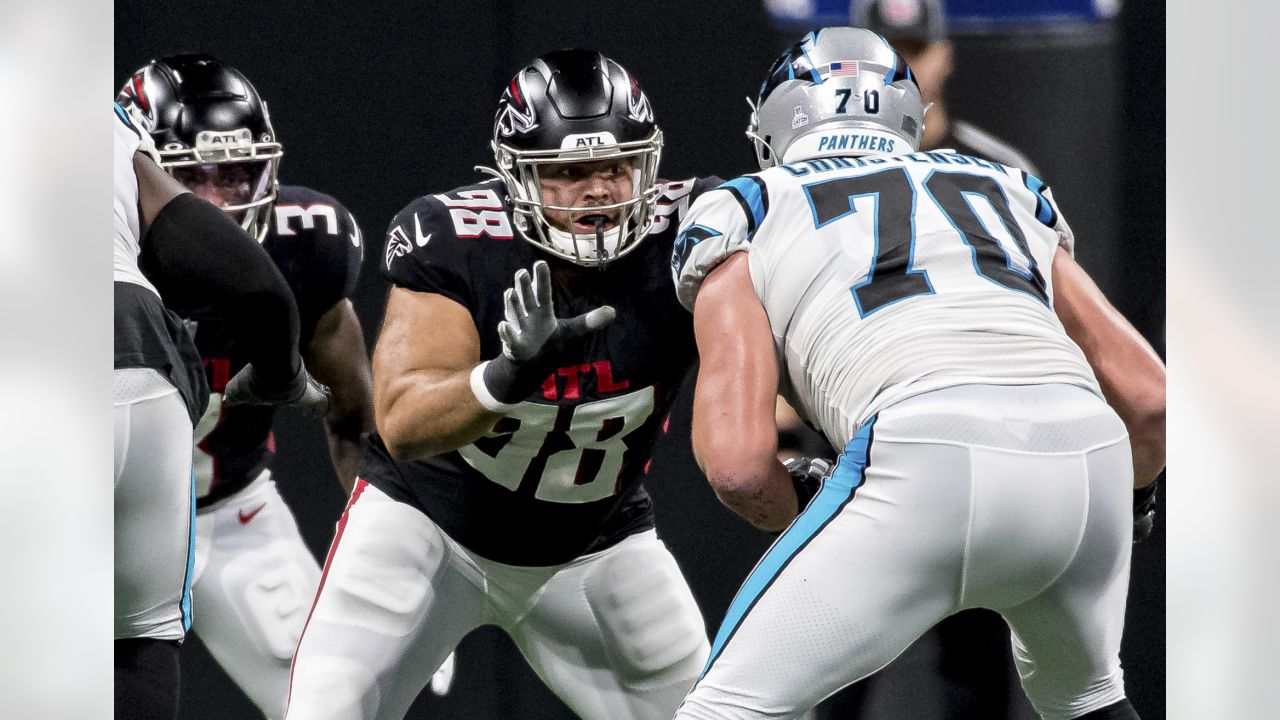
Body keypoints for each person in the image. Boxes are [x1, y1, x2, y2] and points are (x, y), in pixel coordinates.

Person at [669, 27, 1164, 720]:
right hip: (1084, 456)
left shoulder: (745, 205)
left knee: (725, 710)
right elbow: (1149, 401)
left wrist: (804, 505)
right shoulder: (1004, 183)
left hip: (917, 448)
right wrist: (1132, 499)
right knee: (1086, 698)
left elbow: (739, 466)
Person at [284, 49, 721, 720]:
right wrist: (504, 377)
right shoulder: (457, 239)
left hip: (596, 543)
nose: (599, 192)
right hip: (429, 527)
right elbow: (400, 422)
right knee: (327, 707)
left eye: (615, 167)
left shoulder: (693, 229)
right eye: (570, 172)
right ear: (516, 177)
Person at [117, 54, 375, 720]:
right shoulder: (102, 246)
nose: (221, 203)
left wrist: (385, 565)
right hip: (105, 517)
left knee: (335, 703)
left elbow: (353, 421)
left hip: (233, 512)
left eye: (236, 175)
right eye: (195, 178)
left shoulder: (305, 247)